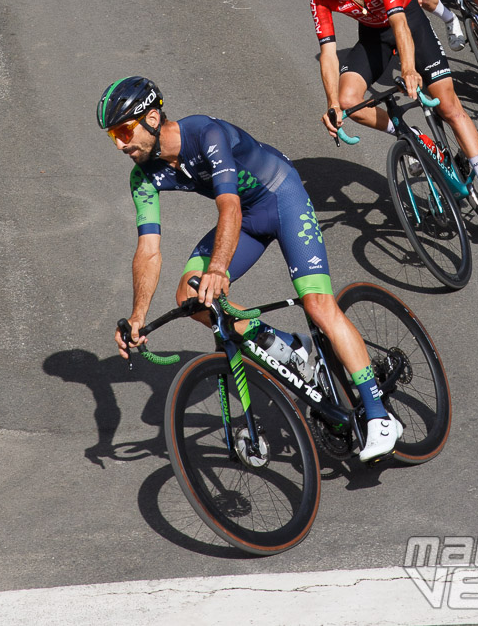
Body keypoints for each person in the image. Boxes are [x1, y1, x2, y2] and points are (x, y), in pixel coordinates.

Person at [99, 76, 404, 462]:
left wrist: (220, 269)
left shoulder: (205, 134)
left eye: (125, 131)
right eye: (114, 137)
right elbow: (148, 250)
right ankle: (289, 349)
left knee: (317, 304)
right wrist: (137, 316)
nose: (122, 144)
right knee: (191, 297)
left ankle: (379, 415)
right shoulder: (142, 176)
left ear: (154, 118)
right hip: (246, 219)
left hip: (281, 198)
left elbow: (230, 207)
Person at [306, 0, 478, 221]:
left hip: (409, 23)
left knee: (448, 106)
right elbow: (328, 54)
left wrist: (410, 69)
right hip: (374, 36)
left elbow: (400, 24)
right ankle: (413, 138)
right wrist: (332, 105)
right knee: (349, 101)